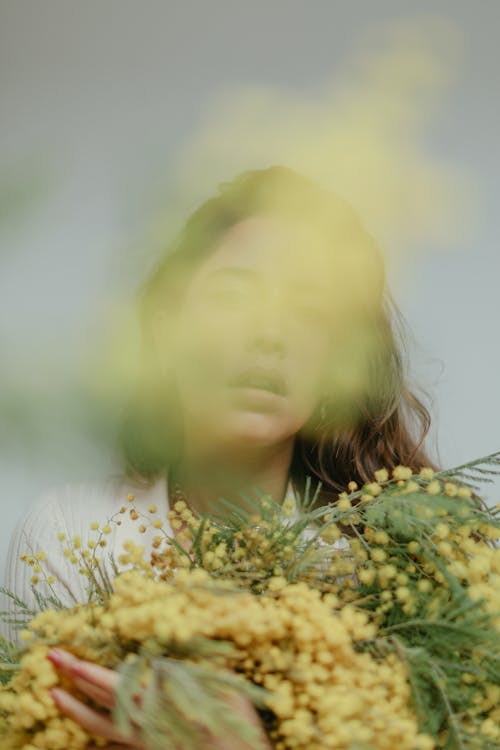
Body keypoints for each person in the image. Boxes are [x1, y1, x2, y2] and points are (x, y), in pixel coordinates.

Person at [2, 165, 436, 748]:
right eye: (234, 294)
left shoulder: (387, 568)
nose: (270, 334)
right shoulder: (68, 533)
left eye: (310, 311)